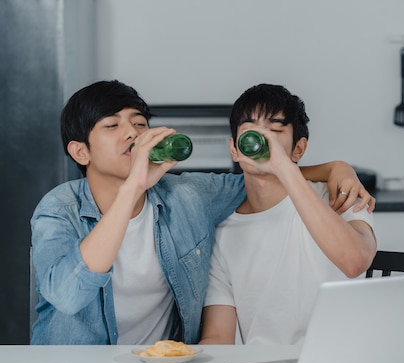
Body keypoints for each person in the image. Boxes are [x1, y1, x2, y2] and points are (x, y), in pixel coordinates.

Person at [30, 80, 375, 345]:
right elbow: (66, 295)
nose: (132, 133)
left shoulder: (186, 196)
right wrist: (132, 188)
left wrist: (335, 168)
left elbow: (262, 175)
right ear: (80, 152)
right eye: (112, 126)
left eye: (138, 123)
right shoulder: (59, 210)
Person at [199, 84, 377, 345]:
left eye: (275, 130)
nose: (262, 139)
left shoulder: (339, 194)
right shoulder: (223, 230)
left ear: (299, 149)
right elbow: (218, 336)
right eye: (250, 130)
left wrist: (283, 166)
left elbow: (355, 261)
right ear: (235, 148)